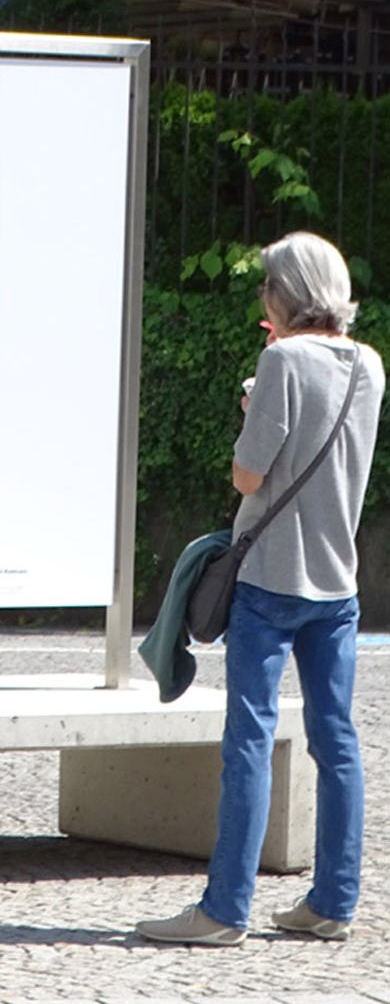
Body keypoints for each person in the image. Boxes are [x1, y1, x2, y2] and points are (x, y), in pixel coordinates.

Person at [137, 231, 384, 946]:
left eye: (266, 285)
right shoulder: (370, 365)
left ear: (286, 294)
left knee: (248, 738)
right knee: (337, 741)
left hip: (271, 579)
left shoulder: (280, 360)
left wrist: (254, 409)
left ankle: (224, 910)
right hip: (337, 585)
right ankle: (334, 901)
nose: (261, 298)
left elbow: (248, 477)